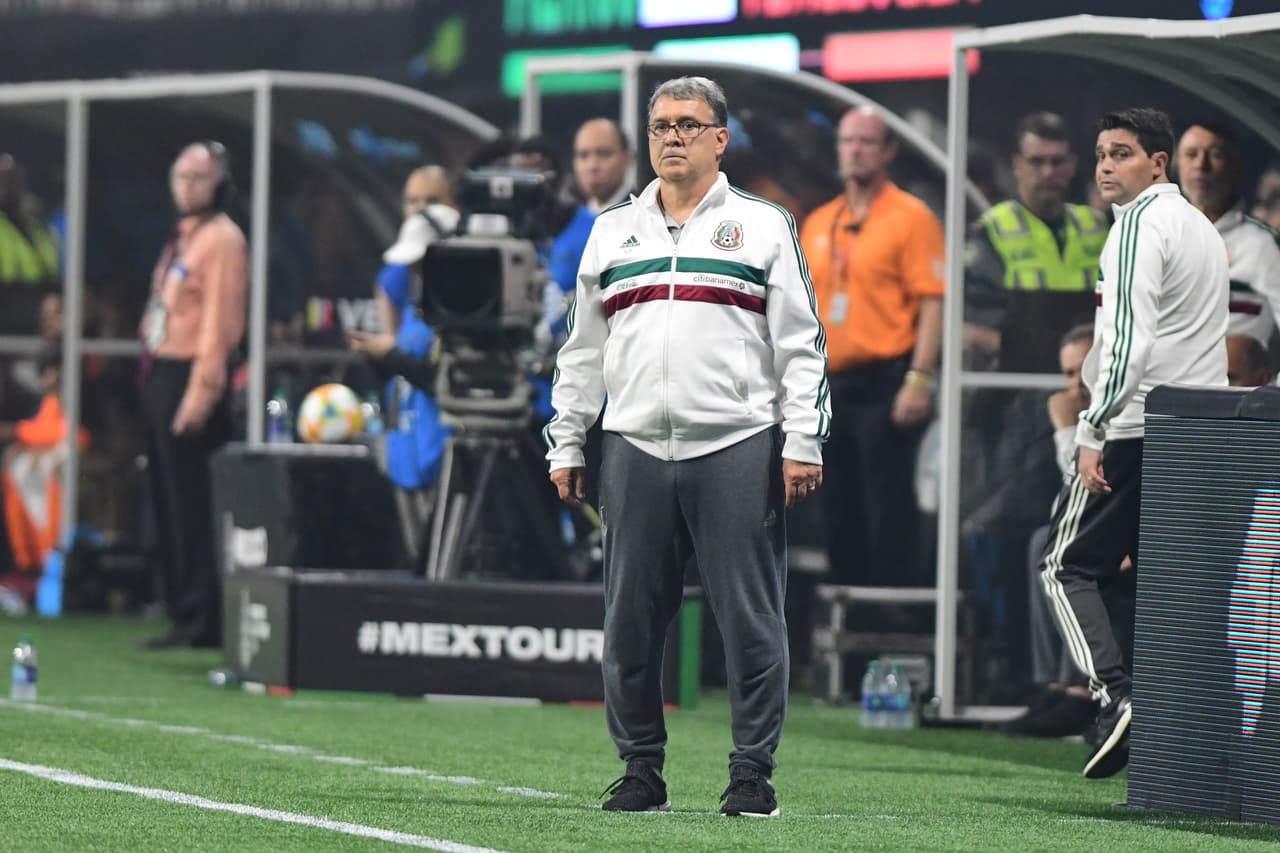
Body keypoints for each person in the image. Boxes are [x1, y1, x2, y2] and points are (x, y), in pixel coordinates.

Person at [544, 76, 829, 817]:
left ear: (719, 138)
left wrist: (803, 438)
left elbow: (801, 346)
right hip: (633, 445)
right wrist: (567, 438)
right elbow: (582, 349)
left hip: (738, 443)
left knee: (751, 620)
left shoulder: (765, 225)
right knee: (629, 623)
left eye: (687, 124)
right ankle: (641, 769)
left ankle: (751, 773)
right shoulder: (613, 230)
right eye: (661, 125)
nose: (671, 136)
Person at [1039, 108, 1228, 779]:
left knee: (1062, 566)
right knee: (1165, 587)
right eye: (1098, 154)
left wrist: (1091, 426)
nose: (1103, 167)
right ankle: (1191, 737)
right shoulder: (1201, 229)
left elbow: (1127, 342)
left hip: (1134, 425)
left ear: (1158, 162)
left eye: (1120, 153)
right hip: (1196, 432)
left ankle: (1115, 696)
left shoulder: (1140, 224)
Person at [798, 105, 942, 587]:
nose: (854, 150)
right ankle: (849, 623)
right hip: (829, 386)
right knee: (836, 510)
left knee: (888, 510)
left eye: (866, 142)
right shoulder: (819, 222)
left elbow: (933, 303)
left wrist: (919, 379)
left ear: (888, 151)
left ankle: (894, 624)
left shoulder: (911, 217)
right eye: (847, 141)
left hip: (887, 384)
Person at [138, 141, 247, 649]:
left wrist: (200, 394)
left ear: (220, 182)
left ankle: (204, 615)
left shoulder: (222, 239)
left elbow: (218, 328)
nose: (188, 187)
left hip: (191, 376)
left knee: (194, 503)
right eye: (182, 176)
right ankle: (183, 608)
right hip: (163, 369)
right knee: (168, 499)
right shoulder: (186, 237)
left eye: (200, 177)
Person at [348, 188, 460, 568]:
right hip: (407, 449)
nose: (414, 273)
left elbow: (443, 379)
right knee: (416, 560)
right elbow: (406, 373)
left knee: (440, 560)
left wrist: (390, 354)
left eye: (421, 263)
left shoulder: (455, 316)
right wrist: (378, 357)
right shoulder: (416, 307)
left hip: (440, 454)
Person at [965, 112, 1109, 373]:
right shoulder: (993, 231)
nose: (1048, 172)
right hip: (1017, 385)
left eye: (1057, 161)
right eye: (1037, 162)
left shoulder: (1097, 228)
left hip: (1087, 383)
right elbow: (967, 326)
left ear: (1072, 165)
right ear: (1017, 165)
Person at [1176, 122, 1280, 351]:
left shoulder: (1262, 246)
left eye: (1215, 155)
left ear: (1237, 167)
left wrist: (1272, 387)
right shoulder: (1158, 239)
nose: (1201, 165)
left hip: (1233, 385)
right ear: (1176, 164)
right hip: (1162, 385)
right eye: (1190, 154)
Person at [572, 118, 633, 213]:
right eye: (583, 155)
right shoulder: (568, 220)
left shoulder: (647, 218)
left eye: (604, 154)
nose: (592, 166)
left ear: (627, 159)